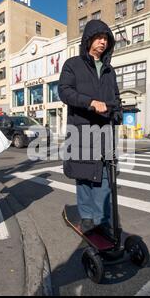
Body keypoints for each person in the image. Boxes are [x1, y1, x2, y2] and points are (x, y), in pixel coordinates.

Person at [58, 20, 122, 235]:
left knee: (104, 175)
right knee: (84, 175)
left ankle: (102, 219)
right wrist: (90, 102)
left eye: (106, 39)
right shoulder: (72, 64)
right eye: (99, 37)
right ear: (88, 39)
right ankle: (87, 216)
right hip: (81, 130)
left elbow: (116, 97)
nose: (103, 42)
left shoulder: (108, 71)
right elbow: (64, 91)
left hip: (105, 132)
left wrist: (118, 113)